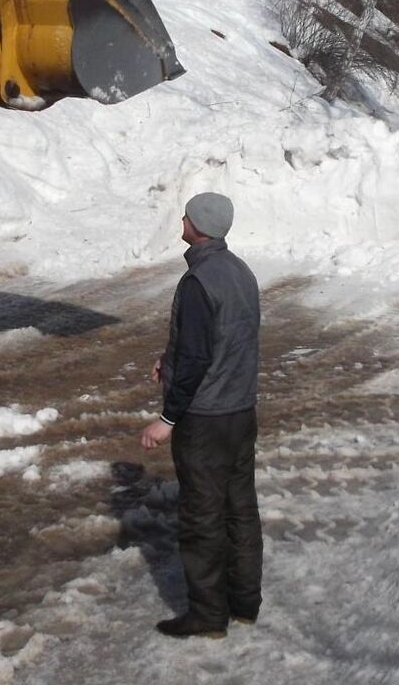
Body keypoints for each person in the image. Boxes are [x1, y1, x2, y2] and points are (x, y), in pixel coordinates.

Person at [140, 191, 263, 639]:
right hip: (240, 412)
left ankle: (209, 616)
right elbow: (223, 339)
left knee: (202, 516)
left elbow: (197, 356)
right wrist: (168, 360)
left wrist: (166, 420)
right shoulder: (240, 272)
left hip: (205, 419)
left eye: (187, 215)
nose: (183, 220)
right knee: (240, 509)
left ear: (197, 225)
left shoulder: (198, 281)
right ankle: (245, 603)